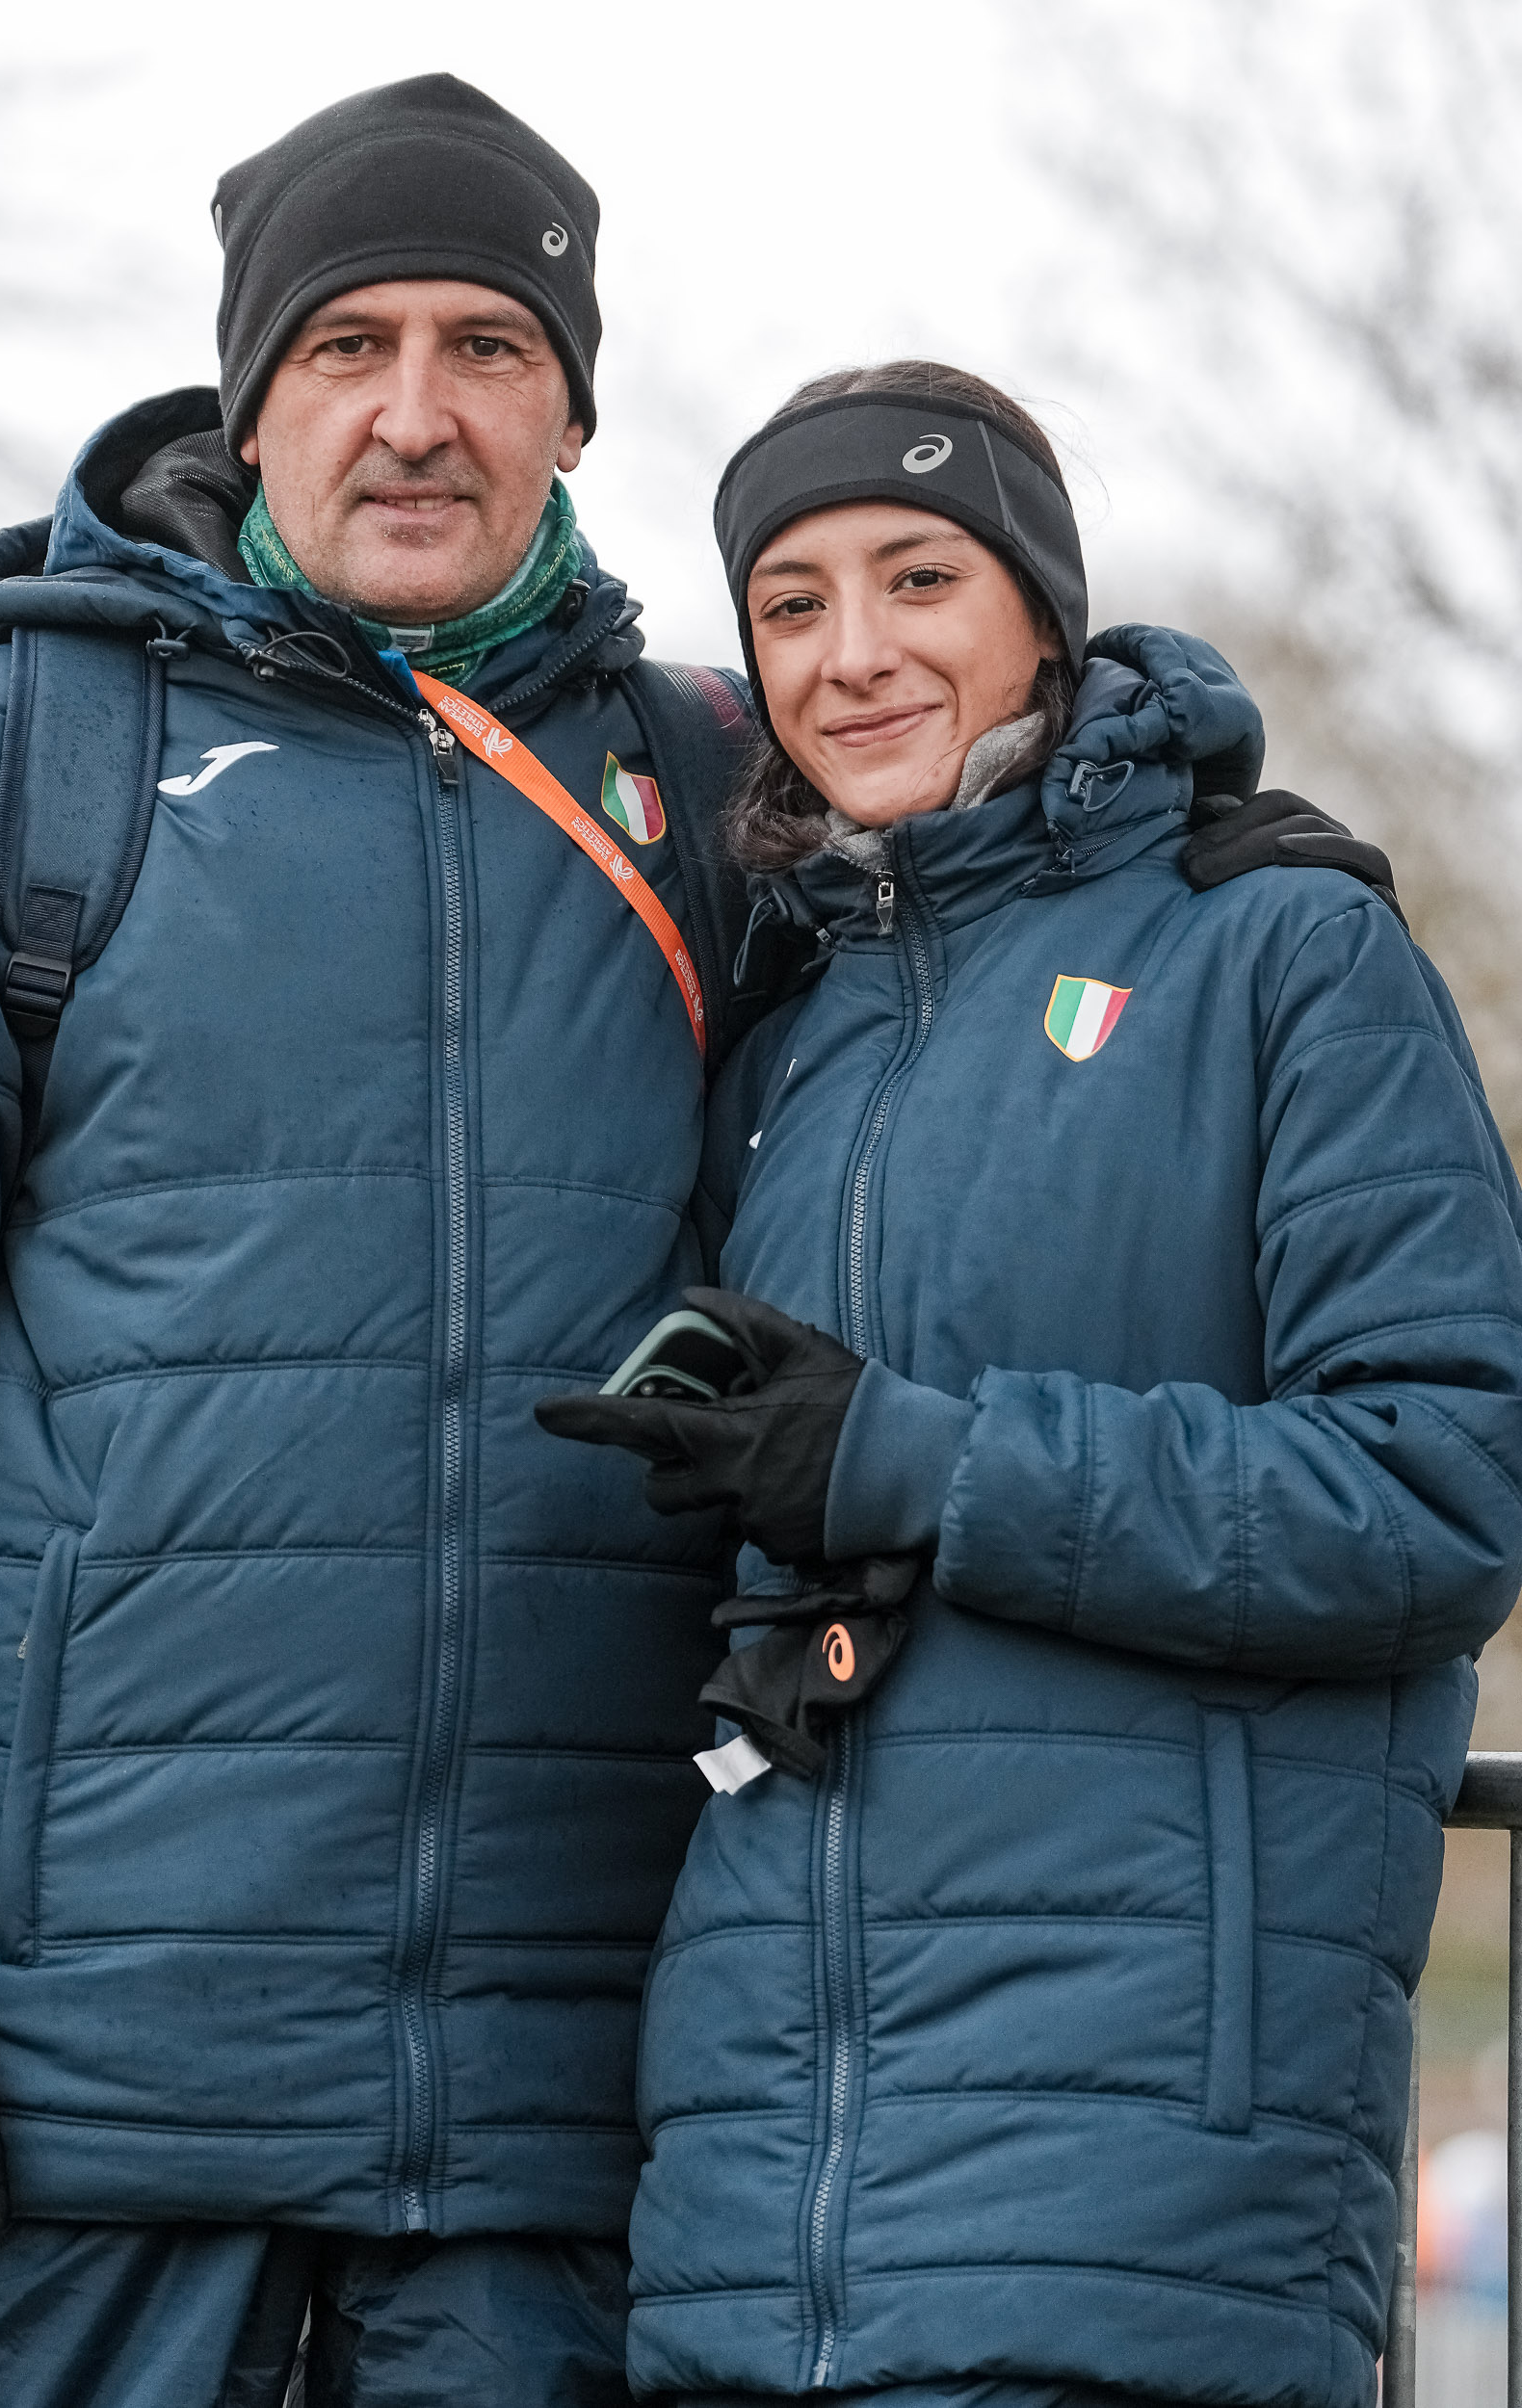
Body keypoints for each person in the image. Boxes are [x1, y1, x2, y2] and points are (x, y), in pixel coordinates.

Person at [0, 72, 1388, 2406]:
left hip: (566, 2133)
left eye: (486, 345)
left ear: (572, 411)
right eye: (346, 345)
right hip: (73, 2096)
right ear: (249, 398)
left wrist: (1176, 841)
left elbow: (973, 865)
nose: (414, 413)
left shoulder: (711, 796)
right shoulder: (0, 769)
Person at [538, 362, 1522, 2408]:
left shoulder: (1282, 952)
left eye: (919, 578)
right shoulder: (785, 1032)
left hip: (1139, 2193)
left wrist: (913, 1460)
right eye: (791, 603)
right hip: (752, 2215)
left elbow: (1438, 1492)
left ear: (1046, 617)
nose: (853, 652)